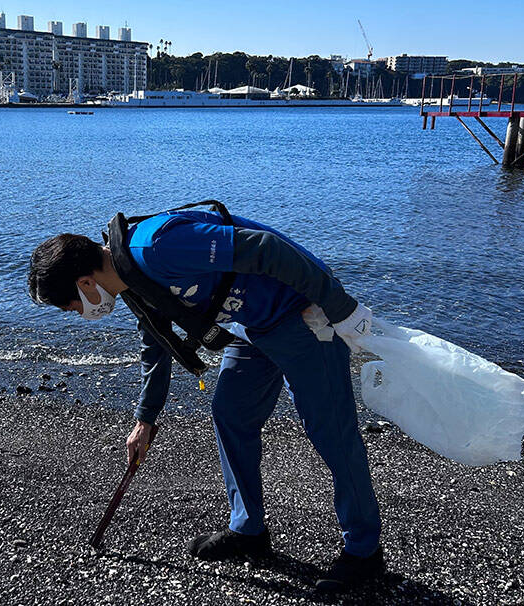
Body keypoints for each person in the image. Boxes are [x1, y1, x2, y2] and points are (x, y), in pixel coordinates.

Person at [27, 203, 384, 591]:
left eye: (70, 306)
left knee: (331, 432)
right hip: (254, 324)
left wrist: (341, 307)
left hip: (303, 314)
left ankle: (364, 552)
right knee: (231, 416)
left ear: (84, 283)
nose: (79, 313)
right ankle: (248, 530)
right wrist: (145, 419)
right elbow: (156, 338)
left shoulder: (157, 247)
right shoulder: (128, 279)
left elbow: (265, 248)